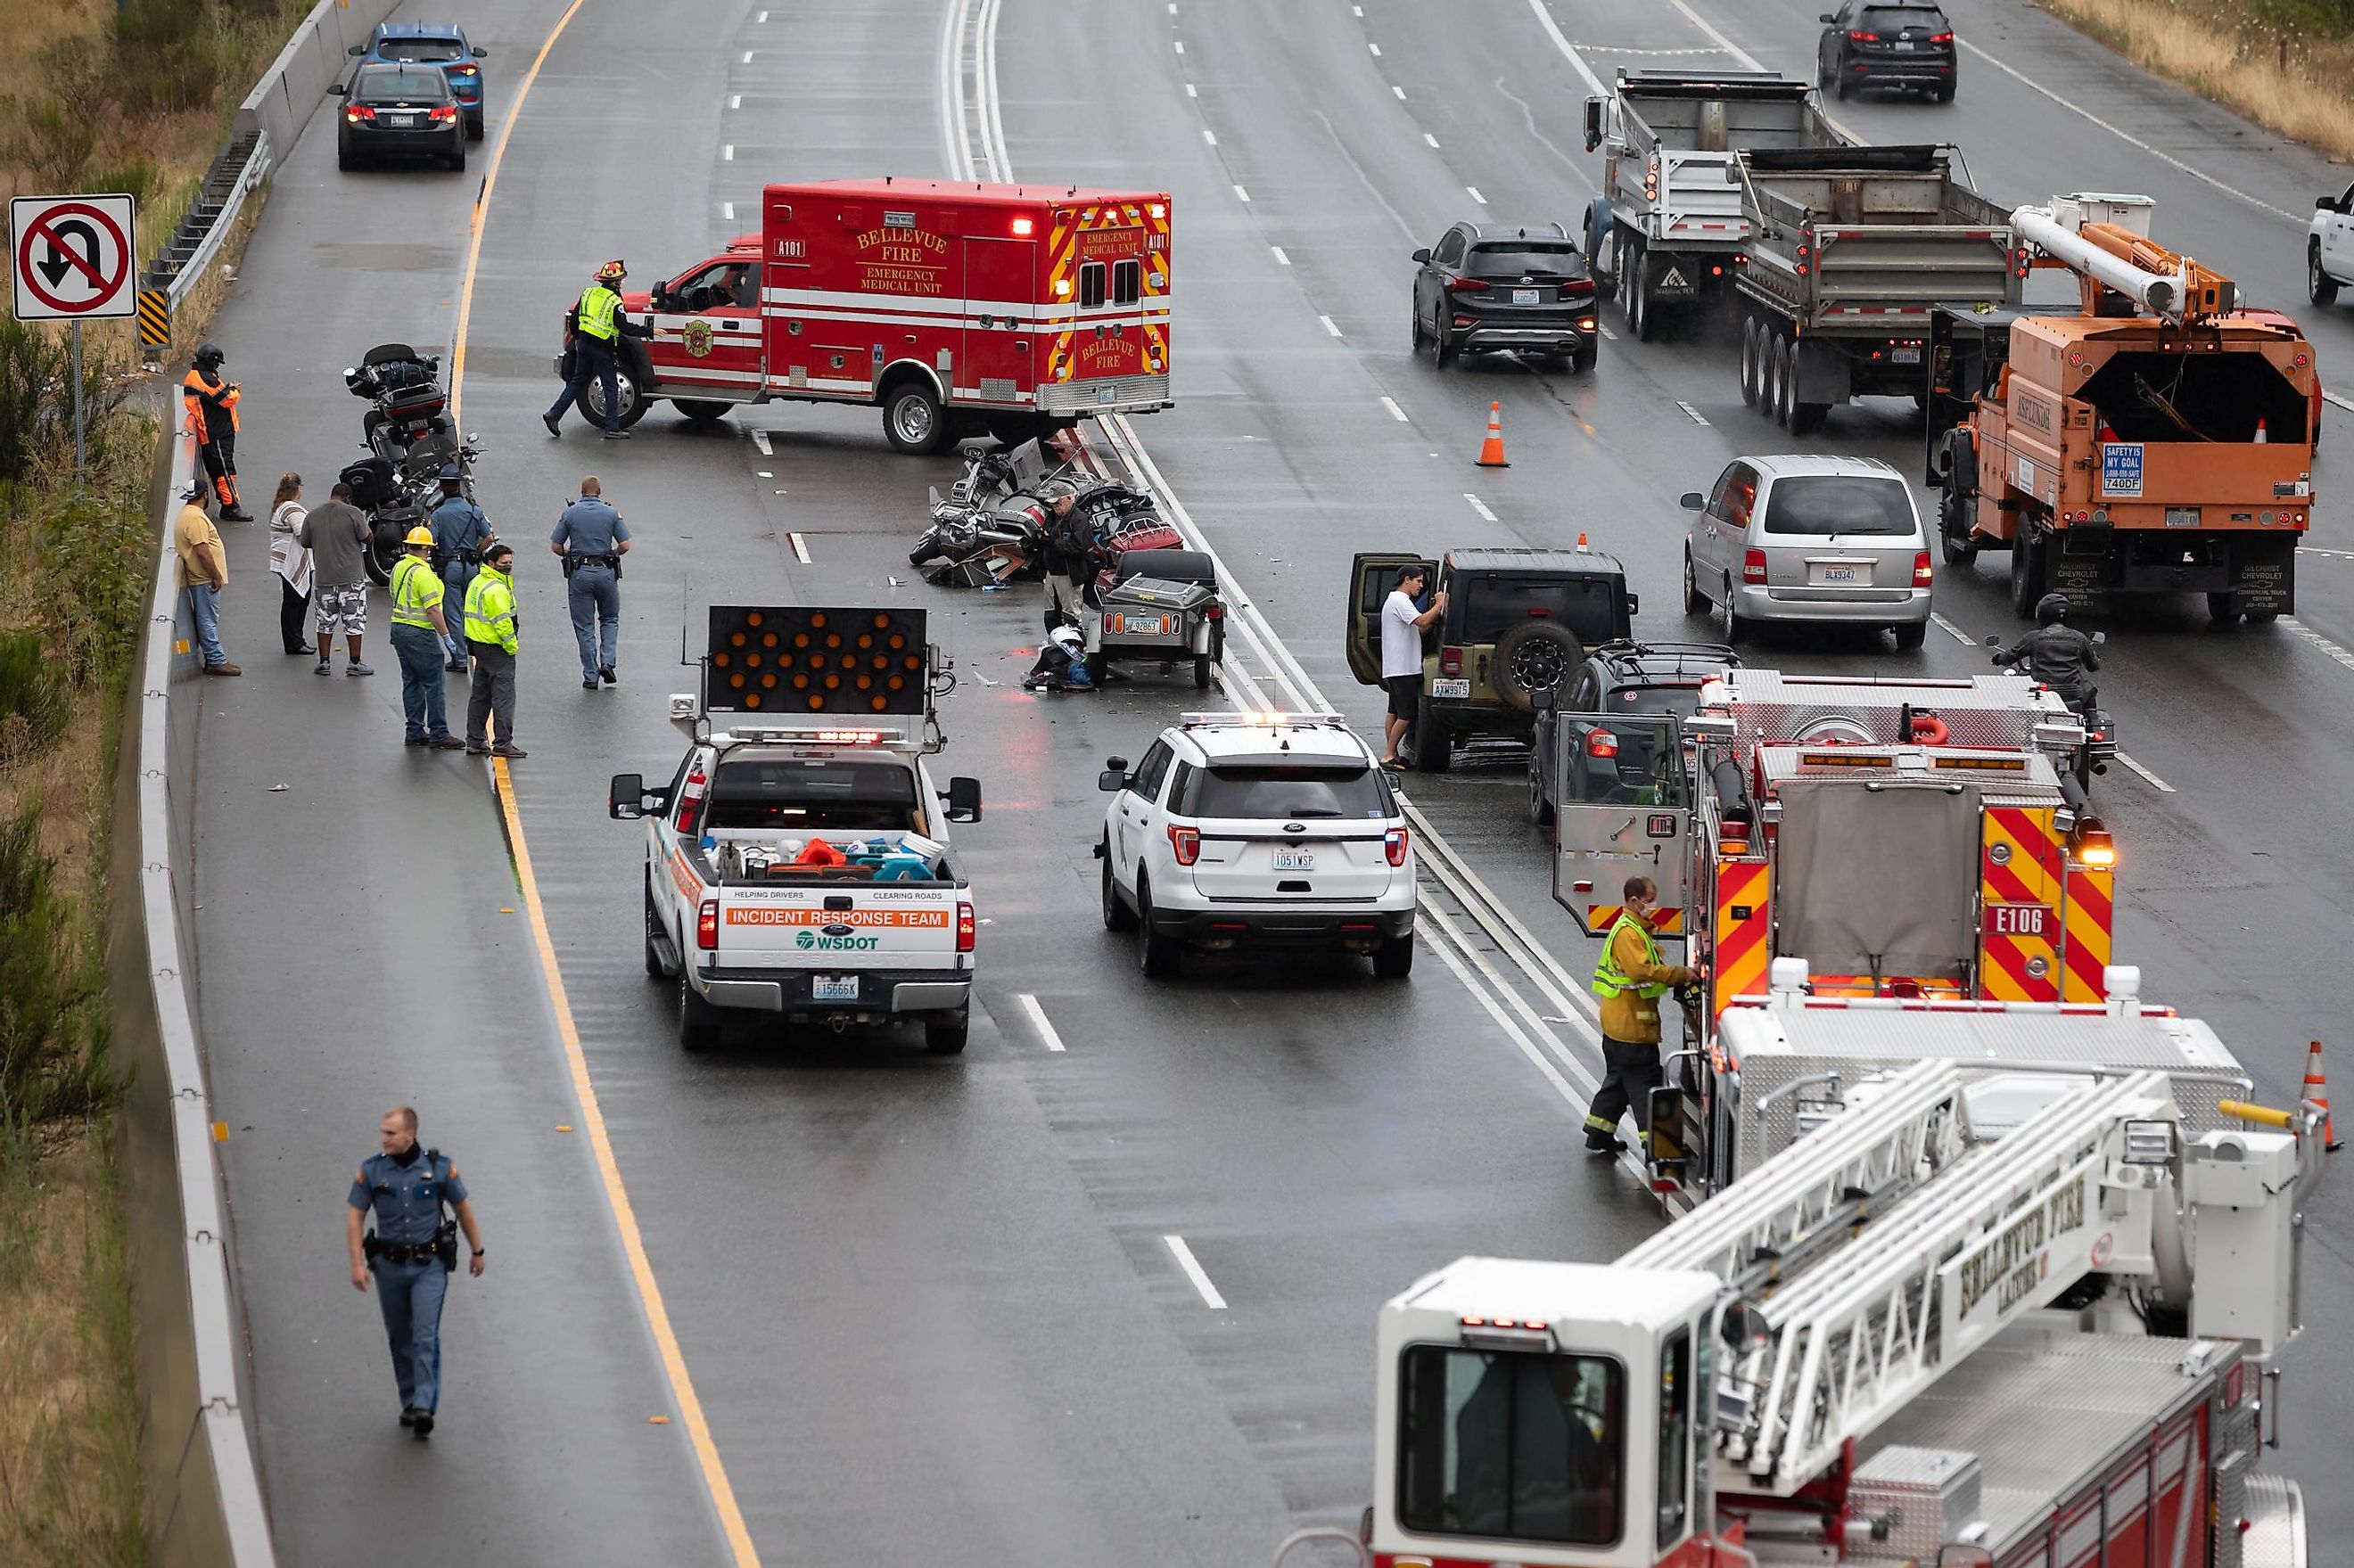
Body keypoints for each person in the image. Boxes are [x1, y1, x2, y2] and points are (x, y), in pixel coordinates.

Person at [345, 1106, 484, 1439]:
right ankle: (409, 1401)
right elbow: (355, 1217)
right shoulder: (372, 1170)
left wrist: (477, 1250)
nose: (385, 1139)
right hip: (389, 1267)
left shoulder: (438, 1168)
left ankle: (424, 1405)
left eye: (391, 1133)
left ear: (411, 1133)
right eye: (383, 1132)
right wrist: (356, 1264)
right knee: (399, 1337)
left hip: (428, 1267)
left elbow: (462, 1209)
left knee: (424, 1334)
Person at [1587, 875, 1700, 1154]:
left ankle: (1598, 1132)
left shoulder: (1634, 928)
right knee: (1648, 1084)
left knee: (1618, 1082)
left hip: (1619, 1025)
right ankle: (1661, 1148)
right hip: (1631, 1027)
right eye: (1650, 900)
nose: (1654, 905)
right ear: (1634, 900)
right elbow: (1641, 971)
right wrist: (1681, 974)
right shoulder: (1628, 933)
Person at [544, 260, 652, 440]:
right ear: (616, 283)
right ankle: (612, 428)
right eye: (621, 280)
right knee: (610, 386)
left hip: (584, 346)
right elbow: (625, 327)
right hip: (602, 349)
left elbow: (576, 321)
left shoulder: (588, 293)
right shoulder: (614, 301)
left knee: (577, 382)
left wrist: (578, 340)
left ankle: (554, 414)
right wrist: (650, 331)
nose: (623, 282)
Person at [548, 475, 630, 689]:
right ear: (600, 491)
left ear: (582, 491)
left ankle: (591, 675)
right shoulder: (612, 513)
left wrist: (570, 553)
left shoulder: (570, 513)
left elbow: (556, 546)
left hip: (580, 574)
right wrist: (612, 552)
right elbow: (625, 545)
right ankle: (608, 661)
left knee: (585, 627)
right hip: (605, 572)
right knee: (610, 618)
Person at [390, 526, 464, 750]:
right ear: (427, 548)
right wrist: (447, 637)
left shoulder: (399, 567)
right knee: (434, 682)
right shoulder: (424, 574)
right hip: (420, 633)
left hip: (398, 629)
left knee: (411, 682)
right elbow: (433, 611)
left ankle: (414, 730)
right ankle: (439, 732)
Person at [300, 481, 374, 677]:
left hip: (324, 579)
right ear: (348, 498)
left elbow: (305, 541)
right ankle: (354, 663)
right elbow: (367, 538)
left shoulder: (313, 515)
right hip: (351, 579)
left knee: (324, 621)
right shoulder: (353, 512)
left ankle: (324, 663)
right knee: (354, 621)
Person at [462, 539, 525, 759]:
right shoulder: (496, 588)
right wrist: (512, 646)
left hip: (479, 646)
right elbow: (503, 622)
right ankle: (503, 743)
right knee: (504, 697)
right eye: (504, 562)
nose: (508, 566)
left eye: (510, 562)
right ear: (491, 563)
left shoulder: (478, 581)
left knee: (480, 695)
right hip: (497, 648)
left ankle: (475, 740)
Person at [1379, 563, 1445, 768]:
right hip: (1403, 668)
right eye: (1418, 581)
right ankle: (1389, 755)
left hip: (1397, 666)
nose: (1420, 586)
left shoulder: (1395, 601)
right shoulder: (1401, 601)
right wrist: (1439, 605)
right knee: (1407, 714)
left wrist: (1432, 623)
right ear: (1406, 580)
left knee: (1394, 711)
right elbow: (1422, 621)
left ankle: (1393, 754)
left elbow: (1419, 629)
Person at [429, 466, 494, 673]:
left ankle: (458, 658)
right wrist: (475, 551)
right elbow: (489, 538)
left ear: (441, 486)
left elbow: (431, 541)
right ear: (459, 485)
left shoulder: (439, 514)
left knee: (454, 613)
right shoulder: (474, 511)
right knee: (473, 611)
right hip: (472, 567)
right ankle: (479, 650)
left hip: (451, 567)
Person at [173, 484, 240, 677]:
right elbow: (202, 551)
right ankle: (216, 660)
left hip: (199, 576)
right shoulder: (195, 519)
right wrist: (215, 575)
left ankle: (215, 658)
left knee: (206, 618)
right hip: (204, 577)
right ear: (205, 495)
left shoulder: (187, 514)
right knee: (207, 619)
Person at [1993, 593, 2100, 710]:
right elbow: (2093, 666)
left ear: (2042, 615)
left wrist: (1997, 658)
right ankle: (2090, 723)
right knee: (2090, 692)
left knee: (2017, 700)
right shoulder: (2080, 638)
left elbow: (2008, 657)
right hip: (2073, 696)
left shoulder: (2033, 638)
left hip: (2043, 694)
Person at [183, 343, 250, 520]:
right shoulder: (205, 378)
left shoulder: (197, 375)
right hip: (216, 432)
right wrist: (234, 390)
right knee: (224, 470)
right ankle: (231, 507)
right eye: (217, 363)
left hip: (212, 432)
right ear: (211, 362)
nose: (218, 366)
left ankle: (227, 503)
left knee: (219, 471)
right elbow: (226, 399)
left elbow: (213, 395)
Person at [267, 473, 313, 656]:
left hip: (288, 559)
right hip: (291, 560)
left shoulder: (282, 507)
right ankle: (294, 642)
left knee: (297, 600)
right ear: (299, 488)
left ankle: (296, 639)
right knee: (295, 601)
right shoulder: (291, 508)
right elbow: (303, 532)